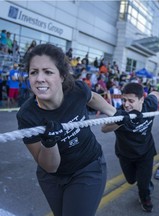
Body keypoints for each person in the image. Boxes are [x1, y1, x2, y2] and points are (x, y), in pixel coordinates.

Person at [16, 43, 121, 216]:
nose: (39, 78)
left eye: (48, 72)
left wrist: (115, 113)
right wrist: (50, 143)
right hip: (52, 177)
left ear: (62, 76)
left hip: (87, 167)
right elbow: (50, 167)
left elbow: (92, 97)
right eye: (34, 72)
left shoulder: (76, 90)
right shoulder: (27, 115)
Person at [101, 82, 159, 213]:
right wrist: (120, 122)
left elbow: (157, 94)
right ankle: (144, 181)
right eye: (124, 100)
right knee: (131, 180)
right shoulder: (120, 113)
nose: (126, 104)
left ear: (142, 99)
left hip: (145, 152)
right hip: (125, 154)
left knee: (143, 184)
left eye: (131, 101)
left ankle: (145, 197)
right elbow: (104, 129)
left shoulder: (149, 105)